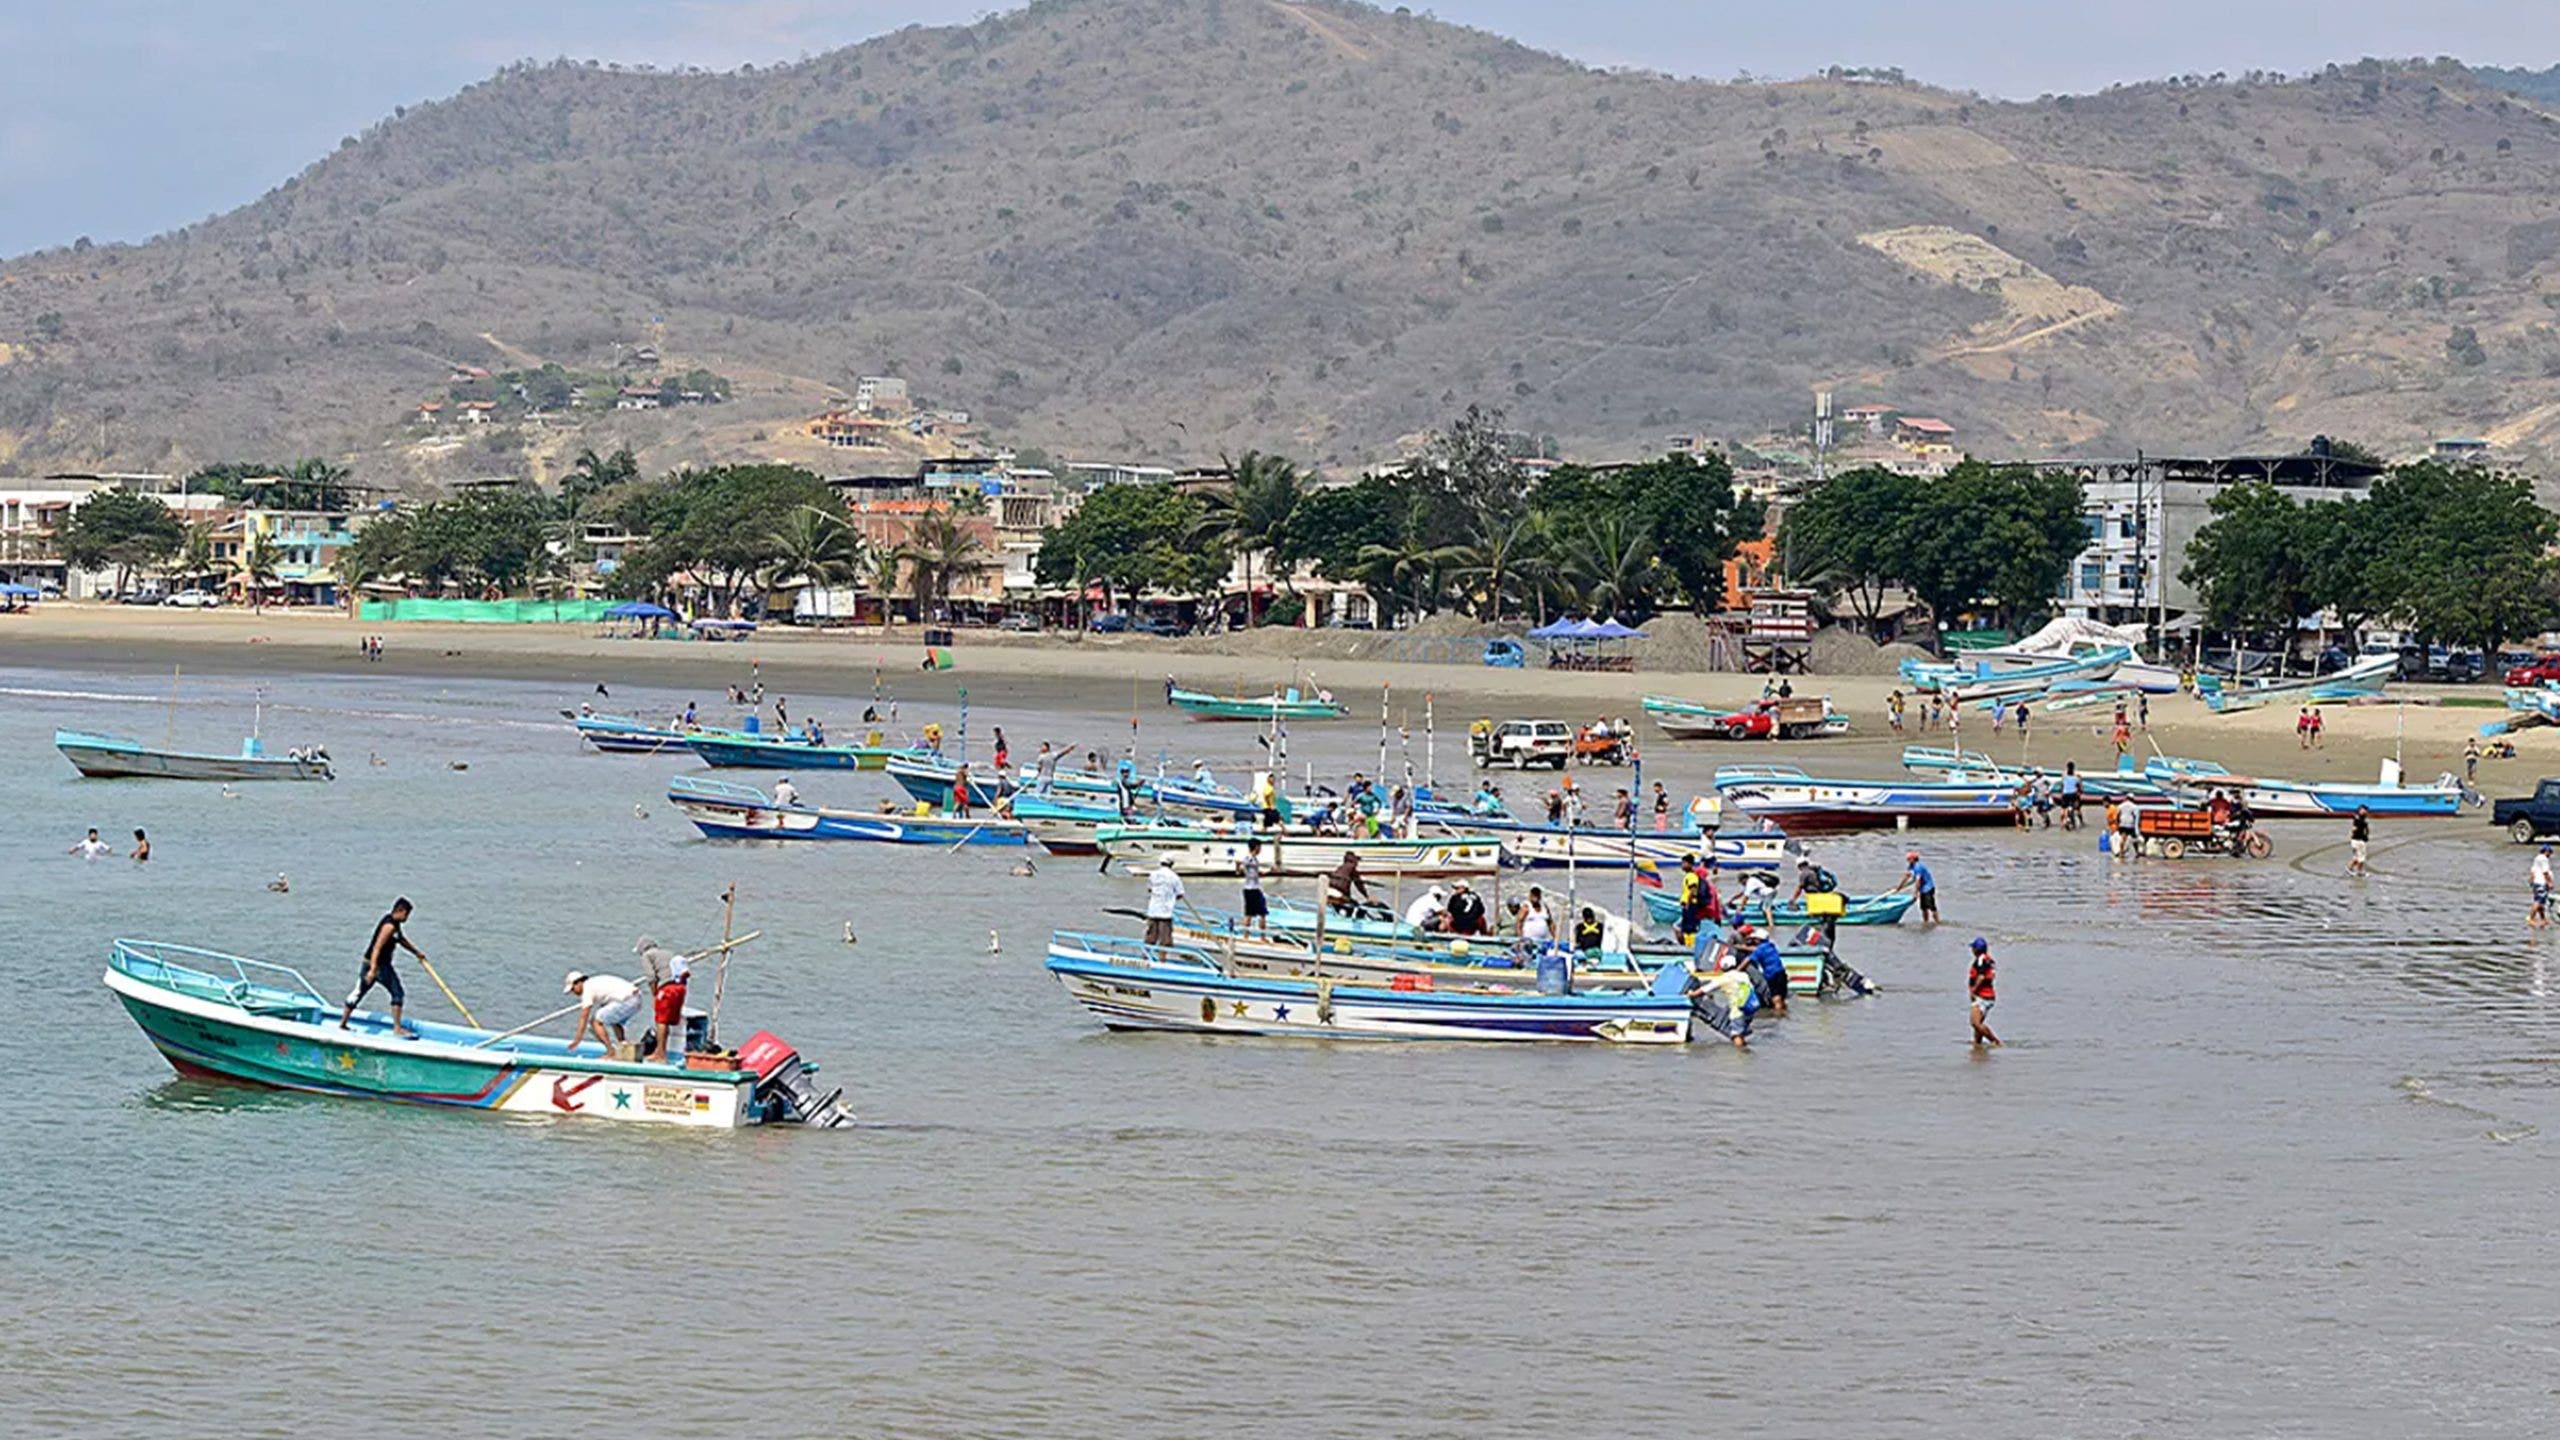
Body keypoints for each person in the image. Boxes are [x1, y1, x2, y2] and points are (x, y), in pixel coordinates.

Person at [341, 898, 424, 1038]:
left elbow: (401, 940)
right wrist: (373, 970)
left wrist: (416, 952)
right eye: (407, 915)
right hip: (377, 966)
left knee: (359, 992)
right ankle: (397, 1029)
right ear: (400, 911)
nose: (407, 918)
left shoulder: (394, 924)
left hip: (378, 965)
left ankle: (343, 1022)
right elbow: (376, 948)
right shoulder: (389, 926)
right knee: (396, 993)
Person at [564, 969, 644, 1053]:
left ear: (578, 983)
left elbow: (584, 1017)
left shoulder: (587, 989)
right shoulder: (594, 983)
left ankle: (610, 1051)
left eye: (573, 989)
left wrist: (577, 1040)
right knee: (614, 1020)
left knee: (595, 1021)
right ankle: (624, 1048)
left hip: (627, 1000)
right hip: (636, 998)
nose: (574, 992)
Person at [635, 936, 688, 1060]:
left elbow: (651, 977)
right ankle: (662, 1051)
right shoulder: (668, 953)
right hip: (680, 988)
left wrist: (655, 993)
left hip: (667, 988)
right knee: (669, 1020)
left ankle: (660, 1053)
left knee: (661, 1020)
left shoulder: (647, 956)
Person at [1744, 923, 1788, 1018]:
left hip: (1772, 975)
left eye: (1755, 939)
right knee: (1782, 999)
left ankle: (1778, 1019)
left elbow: (1748, 960)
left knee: (1776, 999)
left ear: (1758, 939)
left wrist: (1737, 970)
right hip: (1782, 973)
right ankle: (1785, 1016)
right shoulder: (1771, 946)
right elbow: (1754, 949)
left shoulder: (1759, 949)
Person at [1143, 857, 1187, 947]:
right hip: (1165, 913)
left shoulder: (1153, 874)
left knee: (1150, 938)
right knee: (1165, 941)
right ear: (1171, 864)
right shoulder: (1174, 877)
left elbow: (1149, 889)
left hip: (1152, 911)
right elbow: (1180, 894)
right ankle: (1162, 960)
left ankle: (1146, 958)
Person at [1967, 937, 2001, 1048]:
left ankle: (1995, 1041)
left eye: (1973, 948)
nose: (1972, 950)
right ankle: (1977, 1046)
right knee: (1978, 1025)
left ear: (1976, 950)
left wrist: (1973, 990)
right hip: (1987, 996)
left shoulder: (1981, 960)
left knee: (1975, 1023)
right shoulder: (1988, 959)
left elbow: (1981, 977)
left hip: (1983, 996)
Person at [1896, 850, 1938, 924]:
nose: (1907, 860)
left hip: (1928, 888)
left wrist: (1915, 893)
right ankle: (1926, 923)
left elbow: (1918, 881)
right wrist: (1899, 887)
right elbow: (1906, 877)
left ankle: (1937, 922)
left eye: (1909, 859)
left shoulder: (1918, 867)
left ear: (1913, 859)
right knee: (1923, 908)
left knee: (1931, 907)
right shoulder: (1911, 866)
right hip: (1922, 889)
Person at [1240, 838, 1270, 937]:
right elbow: (1242, 866)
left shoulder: (1254, 859)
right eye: (1260, 847)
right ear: (1256, 847)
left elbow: (1252, 872)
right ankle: (1260, 936)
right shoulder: (1249, 858)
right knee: (1260, 913)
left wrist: (1262, 872)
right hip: (1252, 889)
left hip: (1253, 888)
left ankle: (1247, 935)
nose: (1260, 849)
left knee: (1251, 913)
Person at [2346, 806, 2372, 876]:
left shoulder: (2361, 819)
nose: (2365, 811)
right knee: (2361, 858)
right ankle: (2359, 872)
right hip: (2358, 840)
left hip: (2357, 840)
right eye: (2363, 810)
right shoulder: (2359, 819)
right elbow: (2354, 828)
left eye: (2365, 810)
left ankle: (2349, 868)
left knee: (2356, 857)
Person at [2534, 845, 2554, 930]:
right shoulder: (2544, 859)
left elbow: (2533, 871)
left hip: (2537, 882)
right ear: (2547, 851)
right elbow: (2545, 872)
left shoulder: (2537, 858)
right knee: (2538, 902)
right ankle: (2531, 918)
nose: (2550, 855)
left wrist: (2532, 881)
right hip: (2542, 883)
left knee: (2540, 902)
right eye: (2550, 852)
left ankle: (2543, 919)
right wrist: (2549, 882)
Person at [2060, 761, 2083, 830]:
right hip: (2073, 794)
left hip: (2065, 794)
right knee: (2077, 808)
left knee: (2063, 809)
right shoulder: (2077, 776)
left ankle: (2062, 823)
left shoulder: (2064, 776)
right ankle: (2081, 821)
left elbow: (2062, 785)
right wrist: (2080, 791)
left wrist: (2062, 793)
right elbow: (2079, 786)